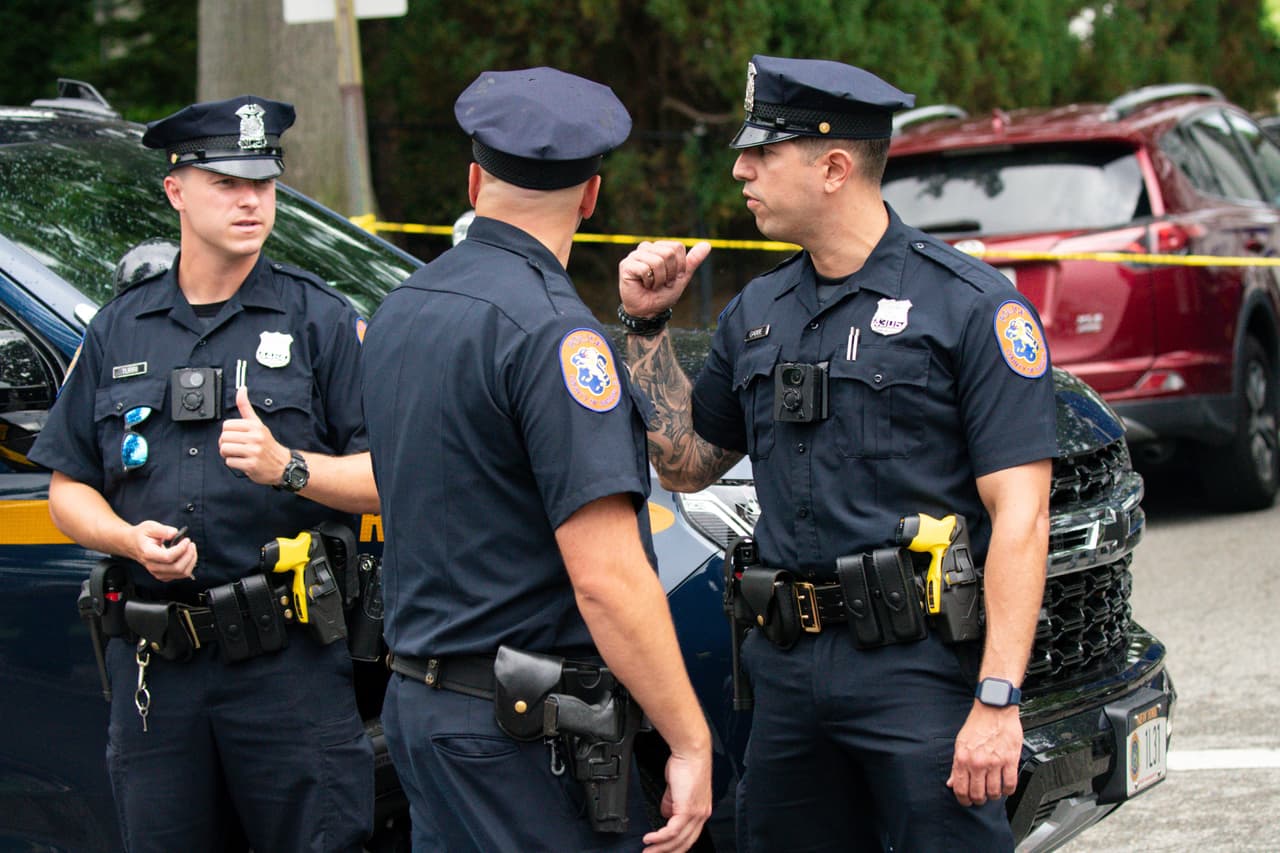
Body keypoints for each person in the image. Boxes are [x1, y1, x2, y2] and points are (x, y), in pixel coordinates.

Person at [617, 55, 1056, 851]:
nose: (741, 169)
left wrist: (998, 697)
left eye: (763, 152)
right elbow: (685, 464)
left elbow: (1020, 514)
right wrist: (646, 327)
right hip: (785, 671)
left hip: (918, 670)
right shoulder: (758, 310)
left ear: (833, 166)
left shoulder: (969, 306)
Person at [360, 67, 712, 852]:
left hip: (421, 707)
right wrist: (689, 740)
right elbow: (608, 577)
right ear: (591, 196)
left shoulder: (401, 307)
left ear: (475, 178)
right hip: (519, 737)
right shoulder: (555, 335)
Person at [29, 95, 379, 853]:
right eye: (226, 182)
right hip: (159, 673)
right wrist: (125, 537)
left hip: (287, 667)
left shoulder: (318, 321)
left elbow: (390, 475)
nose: (251, 199)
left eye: (264, 182)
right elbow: (66, 487)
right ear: (176, 189)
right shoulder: (119, 326)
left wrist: (287, 467)